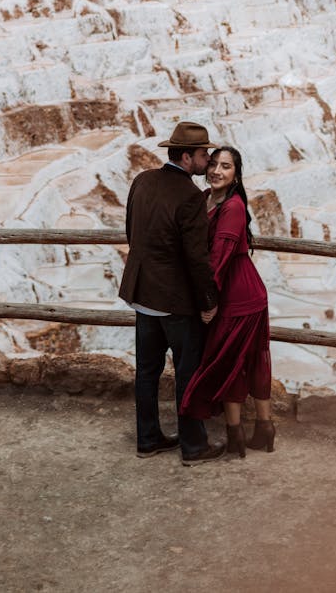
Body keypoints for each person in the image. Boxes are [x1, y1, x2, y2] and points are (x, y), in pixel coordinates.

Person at [118, 121, 226, 466]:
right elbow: (197, 259)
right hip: (175, 302)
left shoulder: (142, 181)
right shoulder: (191, 197)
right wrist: (208, 301)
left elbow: (131, 232)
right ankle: (194, 447)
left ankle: (148, 439)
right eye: (203, 154)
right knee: (187, 373)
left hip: (141, 293)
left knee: (147, 372)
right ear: (185, 156)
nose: (208, 160)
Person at [180, 146, 274, 456]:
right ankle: (259, 431)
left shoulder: (232, 206)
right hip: (241, 292)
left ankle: (242, 434)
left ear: (236, 174)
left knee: (233, 362)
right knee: (240, 360)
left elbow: (218, 258)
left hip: (239, 296)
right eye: (214, 164)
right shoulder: (207, 197)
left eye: (226, 166)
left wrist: (209, 300)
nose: (217, 171)